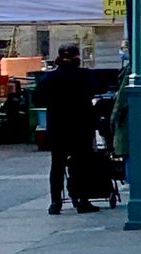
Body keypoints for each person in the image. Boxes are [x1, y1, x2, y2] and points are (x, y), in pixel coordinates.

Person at [37, 44, 102, 215]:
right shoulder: (85, 76)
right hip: (81, 126)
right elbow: (95, 91)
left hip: (58, 127)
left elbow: (38, 99)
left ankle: (55, 203)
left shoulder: (49, 78)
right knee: (81, 164)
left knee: (57, 166)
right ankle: (82, 200)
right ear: (77, 58)